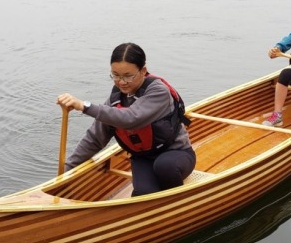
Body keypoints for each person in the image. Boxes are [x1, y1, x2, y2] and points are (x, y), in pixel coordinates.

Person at [56, 42, 196, 196]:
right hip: (143, 157)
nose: (121, 82)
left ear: (143, 70)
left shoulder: (158, 92)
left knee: (165, 167)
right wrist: (65, 172)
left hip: (176, 153)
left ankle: (176, 202)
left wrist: (84, 106)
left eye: (128, 76)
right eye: (115, 75)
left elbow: (130, 118)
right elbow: (95, 138)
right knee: (142, 193)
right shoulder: (116, 99)